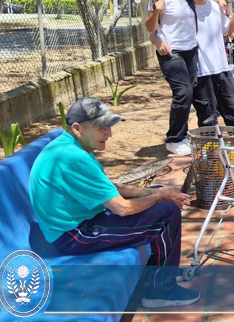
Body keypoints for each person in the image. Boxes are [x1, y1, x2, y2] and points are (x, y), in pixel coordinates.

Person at [29, 98, 199, 308]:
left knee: (156, 196)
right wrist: (160, 196)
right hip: (73, 235)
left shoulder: (69, 146)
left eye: (109, 127)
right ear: (77, 128)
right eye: (102, 128)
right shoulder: (75, 158)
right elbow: (123, 208)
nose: (109, 134)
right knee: (168, 212)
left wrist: (153, 191)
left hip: (77, 223)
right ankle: (160, 290)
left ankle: (161, 269)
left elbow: (110, 188)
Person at [151, 0, 234, 165]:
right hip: (200, 73)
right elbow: (164, 10)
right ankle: (211, 159)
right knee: (207, 119)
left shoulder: (215, 7)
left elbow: (227, 31)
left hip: (221, 69)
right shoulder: (184, 8)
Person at [145, 0, 198, 156]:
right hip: (170, 51)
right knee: (183, 92)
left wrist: (218, 0)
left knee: (189, 92)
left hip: (191, 50)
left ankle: (182, 135)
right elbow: (150, 28)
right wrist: (157, 11)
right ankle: (174, 139)